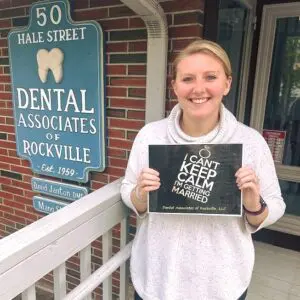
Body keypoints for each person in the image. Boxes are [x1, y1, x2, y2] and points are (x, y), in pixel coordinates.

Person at [121, 39, 286, 300]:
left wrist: (254, 205)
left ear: (227, 83)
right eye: (187, 78)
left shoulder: (250, 141)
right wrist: (140, 196)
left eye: (210, 77)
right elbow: (127, 190)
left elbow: (276, 205)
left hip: (223, 285)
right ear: (174, 86)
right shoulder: (149, 136)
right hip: (157, 280)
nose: (199, 88)